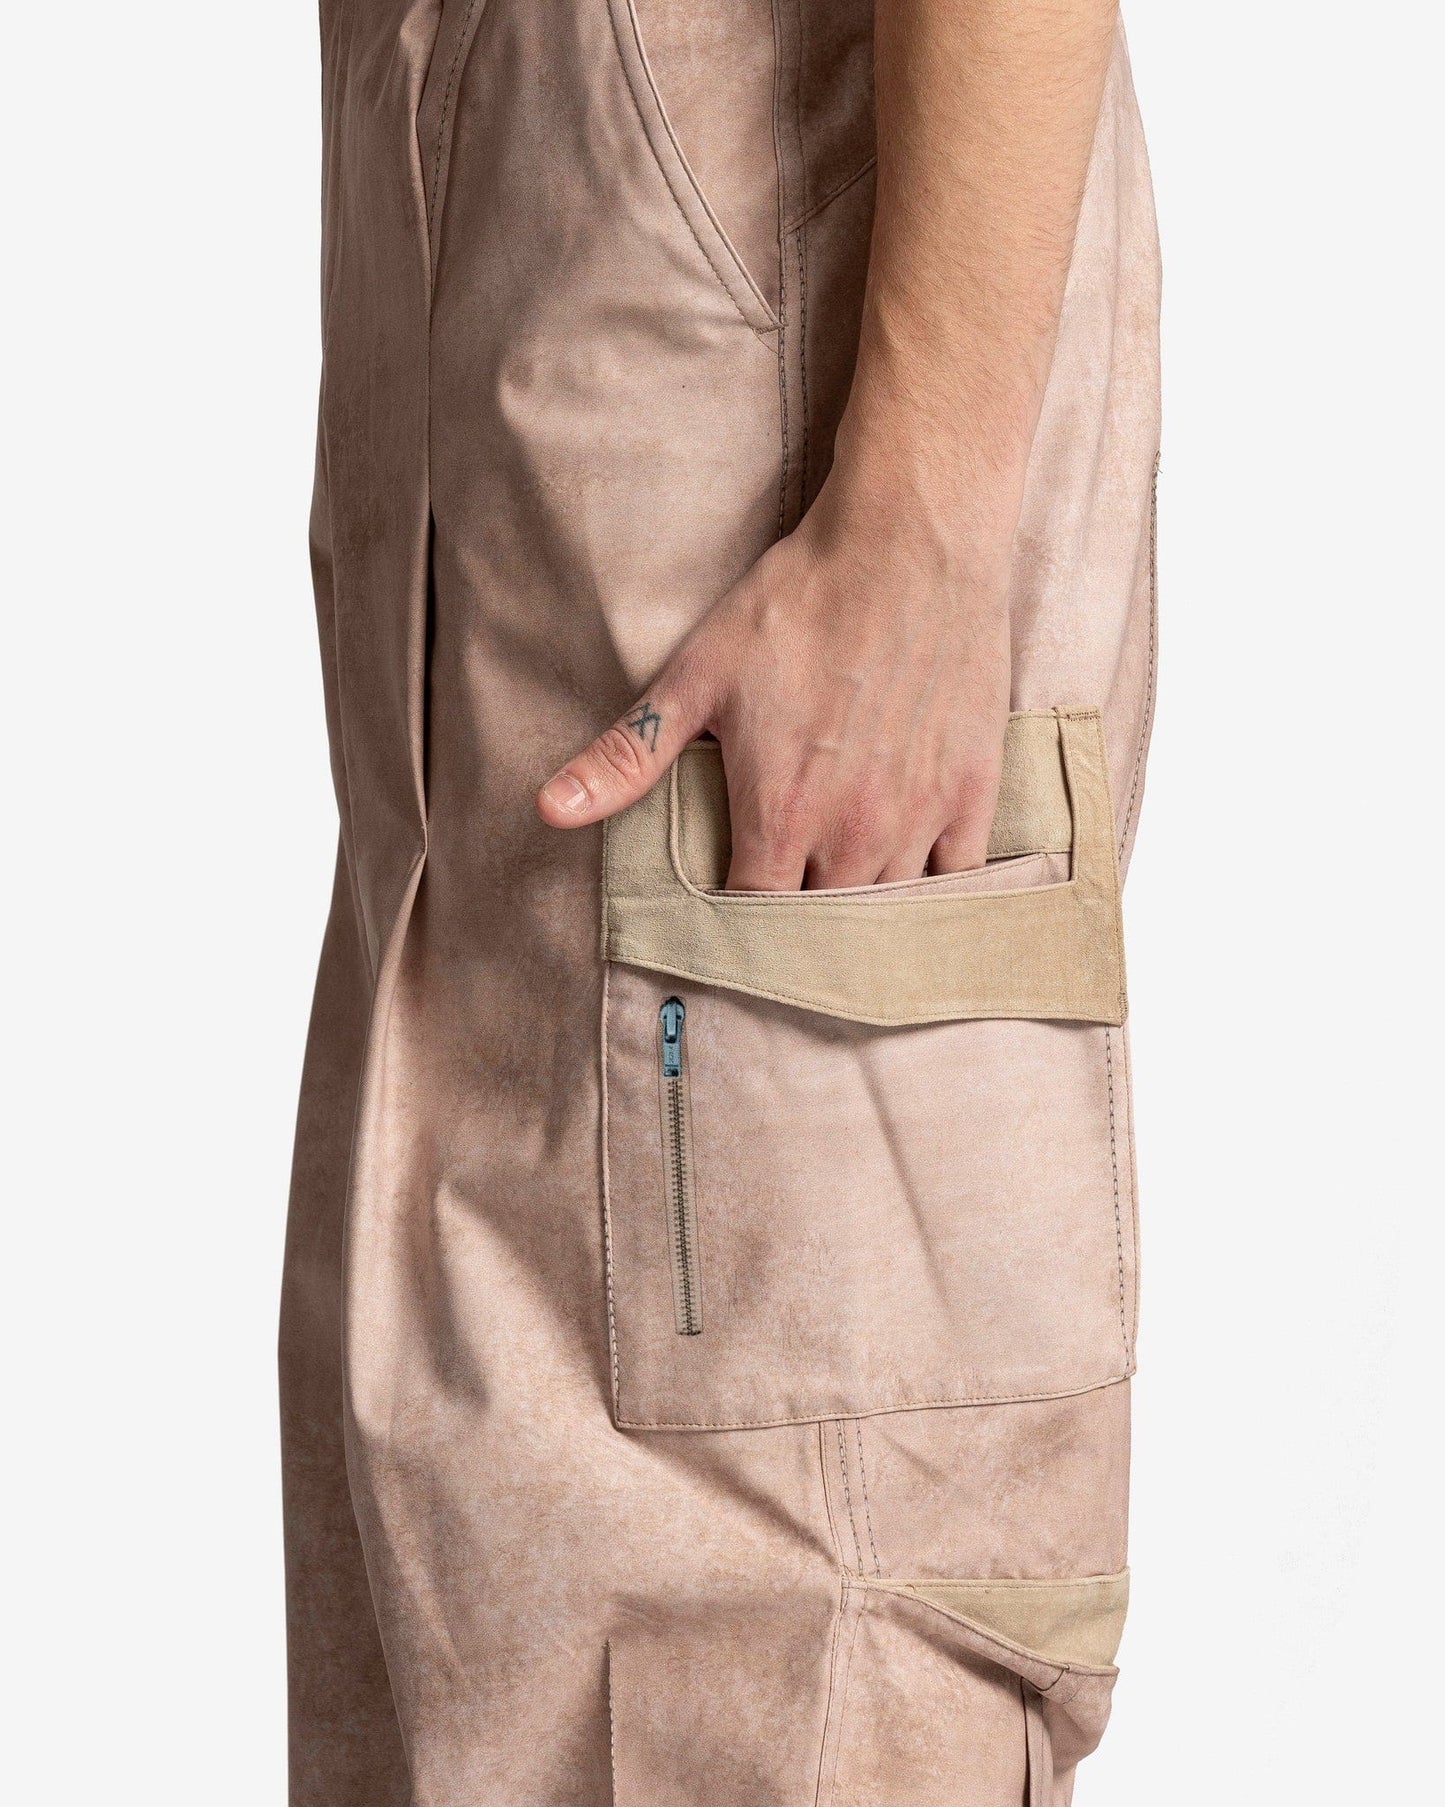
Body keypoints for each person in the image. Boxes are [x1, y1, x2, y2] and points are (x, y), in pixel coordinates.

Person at [280, 0, 1160, 1799]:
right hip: (510, 205)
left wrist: (919, 518)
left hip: (754, 220)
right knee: (484, 1584)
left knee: (780, 1598)